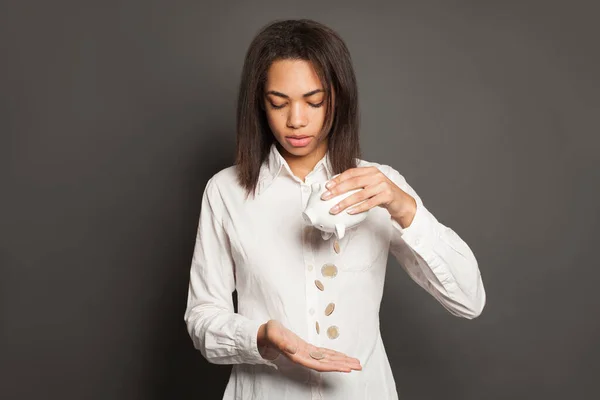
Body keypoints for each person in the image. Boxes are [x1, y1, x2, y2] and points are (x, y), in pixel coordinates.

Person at [184, 18, 485, 400]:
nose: (296, 120)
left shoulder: (379, 185)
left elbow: (469, 300)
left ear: (338, 98)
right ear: (259, 103)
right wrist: (260, 336)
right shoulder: (225, 191)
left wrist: (404, 207)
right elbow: (201, 318)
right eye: (279, 103)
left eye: (314, 101)